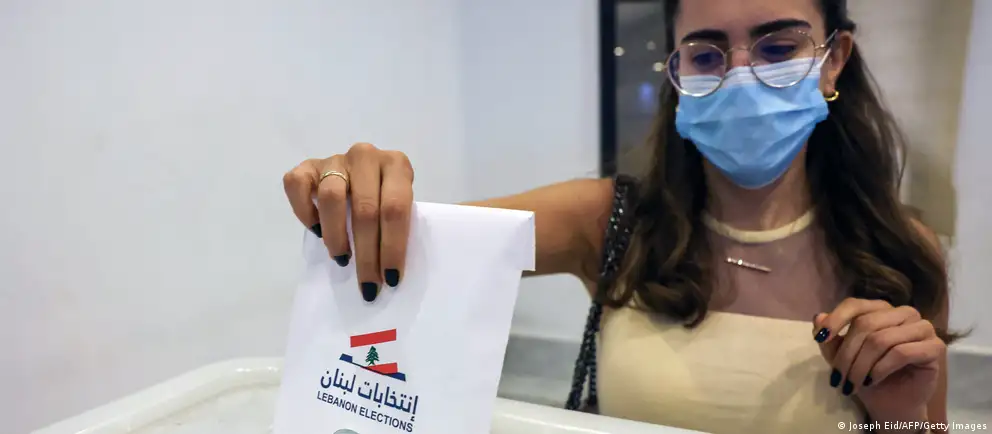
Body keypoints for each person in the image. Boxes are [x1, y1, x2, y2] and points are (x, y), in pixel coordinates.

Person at [282, 0, 960, 432]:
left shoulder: (901, 252)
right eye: (706, 56)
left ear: (834, 60)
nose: (741, 76)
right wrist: (357, 188)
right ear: (676, 74)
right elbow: (411, 241)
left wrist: (900, 417)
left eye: (779, 49)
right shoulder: (612, 220)